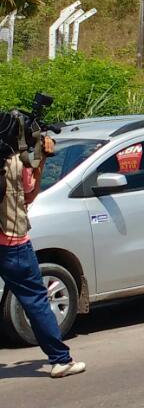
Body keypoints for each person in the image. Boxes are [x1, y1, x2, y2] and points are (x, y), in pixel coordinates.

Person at [0, 134, 85, 378]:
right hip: (13, 242)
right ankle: (60, 360)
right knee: (36, 299)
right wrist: (42, 160)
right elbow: (29, 195)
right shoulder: (15, 162)